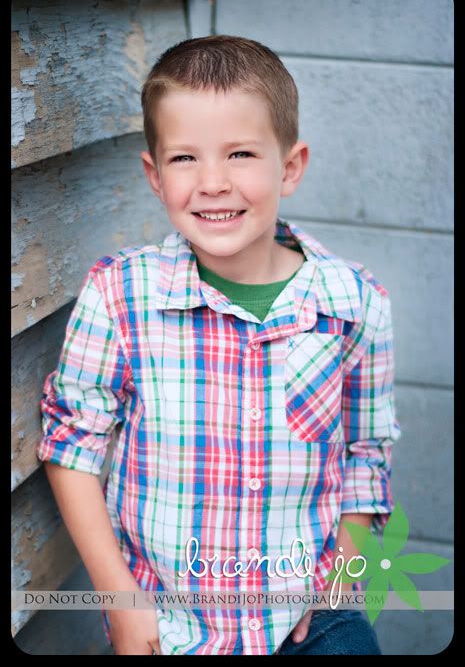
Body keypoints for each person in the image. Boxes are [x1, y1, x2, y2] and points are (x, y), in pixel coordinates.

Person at [37, 34, 400, 655]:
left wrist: (340, 582)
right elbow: (72, 446)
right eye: (184, 158)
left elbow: (365, 455)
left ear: (290, 166)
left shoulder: (354, 302)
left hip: (308, 616)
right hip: (171, 623)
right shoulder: (120, 295)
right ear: (154, 175)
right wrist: (120, 600)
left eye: (240, 154)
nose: (212, 182)